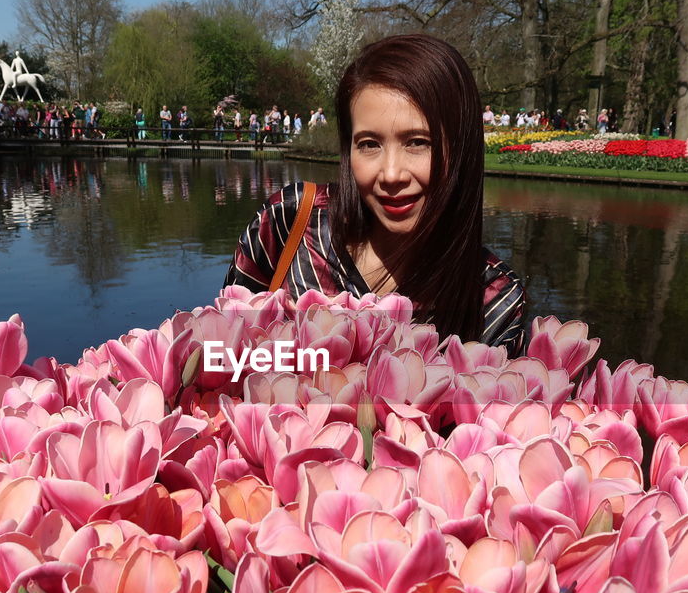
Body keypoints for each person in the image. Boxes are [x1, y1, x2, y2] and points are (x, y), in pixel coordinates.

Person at [224, 33, 527, 355]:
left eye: (418, 142)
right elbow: (223, 354)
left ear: (462, 148)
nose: (392, 175)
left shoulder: (495, 300)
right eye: (369, 144)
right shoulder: (290, 223)